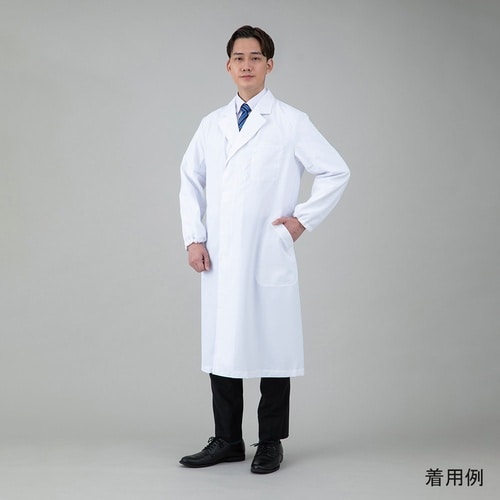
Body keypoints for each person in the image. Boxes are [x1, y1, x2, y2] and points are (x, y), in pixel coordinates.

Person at [178, 25, 350, 474]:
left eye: (256, 57)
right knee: (223, 344)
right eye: (239, 58)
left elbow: (335, 170)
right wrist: (194, 237)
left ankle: (270, 441)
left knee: (273, 345)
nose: (247, 65)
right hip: (220, 255)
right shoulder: (211, 124)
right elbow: (190, 180)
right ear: (228, 66)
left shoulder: (291, 121)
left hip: (265, 251)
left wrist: (302, 220)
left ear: (269, 65)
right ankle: (227, 439)